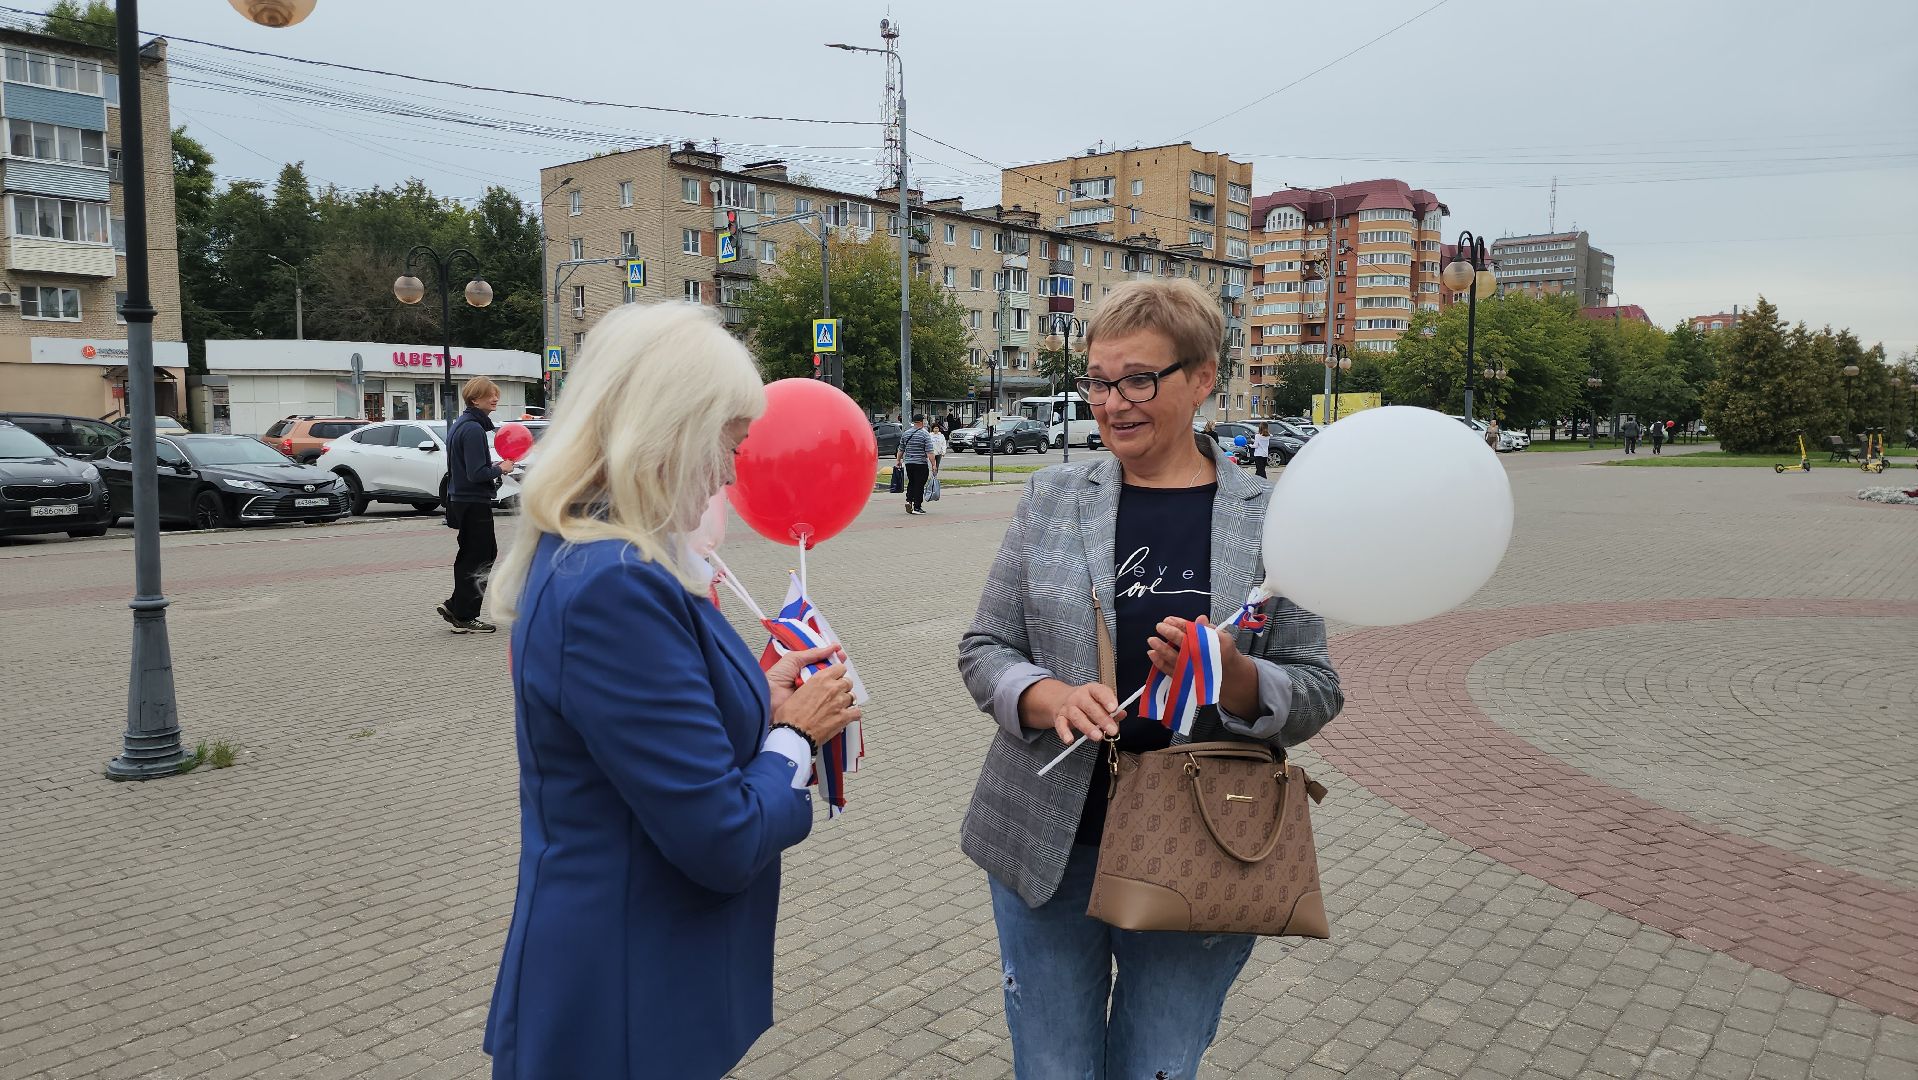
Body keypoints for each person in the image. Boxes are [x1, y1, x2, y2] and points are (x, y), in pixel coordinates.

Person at [957, 278, 1344, 1079]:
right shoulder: (1052, 497)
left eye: (1139, 379)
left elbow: (1313, 687)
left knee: (1158, 1065)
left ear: (1203, 378)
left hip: (1199, 847)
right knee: (1053, 1066)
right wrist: (1047, 695)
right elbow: (985, 646)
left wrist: (1234, 677)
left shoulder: (1274, 521)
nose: (1113, 403)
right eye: (1098, 381)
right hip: (1048, 846)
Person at [482, 303, 863, 1080]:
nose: (730, 472)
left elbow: (652, 730)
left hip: (626, 976)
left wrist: (756, 689)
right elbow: (719, 838)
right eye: (726, 442)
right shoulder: (615, 584)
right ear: (668, 430)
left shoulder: (611, 559)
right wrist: (794, 735)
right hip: (623, 995)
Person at [437, 376, 517, 633]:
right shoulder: (472, 429)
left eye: (496, 395)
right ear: (474, 399)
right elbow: (475, 473)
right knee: (480, 557)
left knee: (472, 555)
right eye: (489, 395)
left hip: (463, 500)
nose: (495, 399)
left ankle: (457, 607)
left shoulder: (464, 425)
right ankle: (464, 614)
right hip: (472, 502)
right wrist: (500, 468)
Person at [897, 413, 934, 515]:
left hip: (909, 463)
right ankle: (917, 507)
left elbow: (901, 449)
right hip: (920, 463)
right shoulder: (925, 434)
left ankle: (909, 500)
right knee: (919, 484)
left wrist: (898, 460)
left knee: (912, 482)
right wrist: (934, 465)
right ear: (922, 422)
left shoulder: (906, 433)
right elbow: (929, 452)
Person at [928, 420, 948, 503]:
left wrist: (943, 452)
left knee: (937, 465)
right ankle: (932, 476)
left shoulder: (941, 436)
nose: (936, 430)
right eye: (935, 428)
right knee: (933, 465)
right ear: (932, 429)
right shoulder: (930, 435)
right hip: (932, 453)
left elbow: (944, 444)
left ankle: (935, 477)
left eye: (937, 428)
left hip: (939, 453)